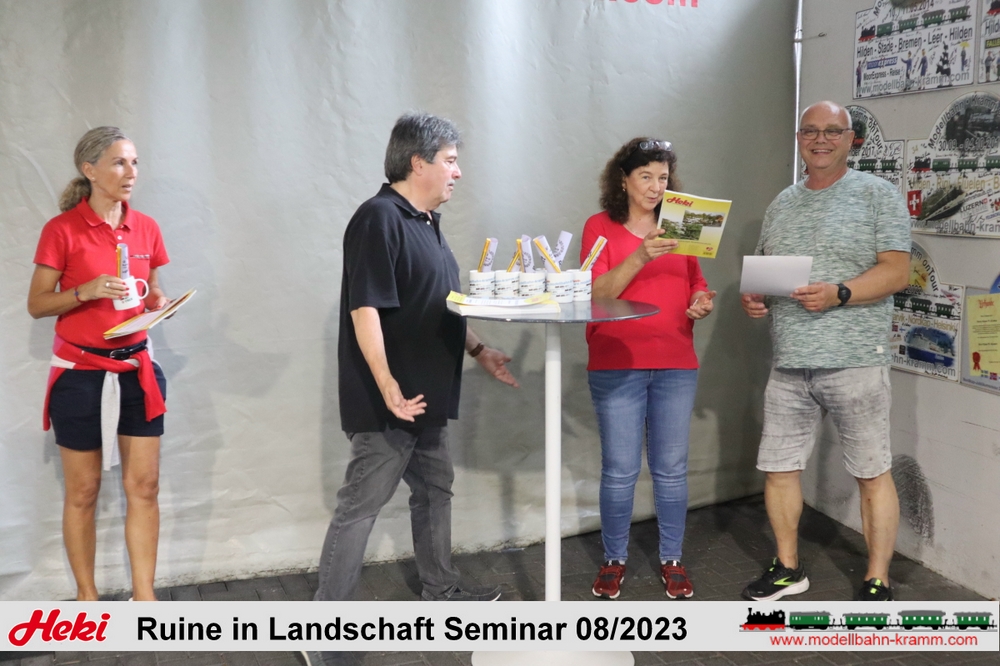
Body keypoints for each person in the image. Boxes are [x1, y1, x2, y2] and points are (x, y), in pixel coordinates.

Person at [314, 112, 518, 603]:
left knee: (434, 490)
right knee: (361, 505)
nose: (458, 171)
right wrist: (388, 386)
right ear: (417, 162)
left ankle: (440, 589)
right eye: (450, 160)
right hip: (392, 401)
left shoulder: (426, 223)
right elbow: (365, 309)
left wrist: (479, 350)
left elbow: (437, 304)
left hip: (426, 396)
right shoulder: (378, 218)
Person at [740, 101, 910, 602]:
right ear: (799, 139)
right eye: (810, 131)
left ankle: (877, 578)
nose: (820, 139)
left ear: (851, 140)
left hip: (856, 358)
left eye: (832, 131)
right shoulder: (782, 203)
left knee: (871, 471)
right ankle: (788, 568)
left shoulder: (877, 194)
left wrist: (841, 292)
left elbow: (898, 271)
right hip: (790, 360)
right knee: (779, 468)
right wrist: (755, 297)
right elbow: (770, 271)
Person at [27, 126, 171, 601]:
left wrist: (158, 301)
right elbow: (37, 304)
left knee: (144, 486)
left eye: (134, 162)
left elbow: (151, 288)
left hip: (138, 371)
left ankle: (144, 598)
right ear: (89, 170)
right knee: (84, 491)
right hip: (80, 378)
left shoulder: (146, 227)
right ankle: (87, 599)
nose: (131, 172)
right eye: (119, 162)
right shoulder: (61, 230)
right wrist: (82, 292)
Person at [580, 138, 716, 600]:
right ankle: (614, 560)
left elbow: (697, 283)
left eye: (663, 177)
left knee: (671, 470)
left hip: (676, 360)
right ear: (623, 180)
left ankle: (672, 559)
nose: (656, 187)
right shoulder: (599, 226)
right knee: (620, 470)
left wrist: (700, 301)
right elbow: (596, 293)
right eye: (646, 177)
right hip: (616, 361)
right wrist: (641, 254)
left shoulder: (684, 222)